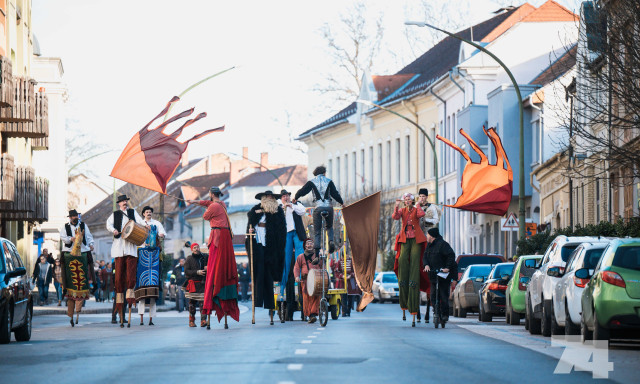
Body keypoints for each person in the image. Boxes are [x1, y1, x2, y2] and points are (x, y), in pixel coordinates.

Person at [187, 186, 240, 328]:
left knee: (214, 268)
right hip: (224, 236)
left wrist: (201, 205)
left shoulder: (214, 207)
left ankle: (215, 294)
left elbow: (205, 216)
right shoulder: (221, 204)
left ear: (211, 194)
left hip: (218, 236)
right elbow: (207, 203)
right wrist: (194, 202)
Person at [246, 190, 286, 325]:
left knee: (269, 276)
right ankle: (258, 301)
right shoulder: (255, 210)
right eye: (267, 197)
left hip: (272, 248)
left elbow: (281, 231)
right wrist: (250, 231)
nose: (270, 198)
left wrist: (280, 248)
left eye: (272, 197)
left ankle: (271, 307)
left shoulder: (278, 211)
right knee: (259, 274)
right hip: (258, 244)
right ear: (263, 198)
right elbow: (250, 225)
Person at [106, 194, 146, 327]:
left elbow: (140, 222)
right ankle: (118, 311)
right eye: (122, 201)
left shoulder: (132, 212)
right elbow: (108, 224)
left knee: (130, 278)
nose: (124, 203)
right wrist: (114, 230)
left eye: (125, 201)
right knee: (118, 281)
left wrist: (146, 226)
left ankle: (129, 301)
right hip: (119, 249)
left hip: (130, 248)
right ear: (119, 203)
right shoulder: (115, 214)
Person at [392, 193, 426, 327]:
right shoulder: (402, 210)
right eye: (405, 200)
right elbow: (395, 217)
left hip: (416, 238)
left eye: (409, 200)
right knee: (401, 260)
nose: (407, 202)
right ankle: (404, 282)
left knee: (415, 264)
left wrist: (418, 205)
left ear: (412, 201)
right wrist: (396, 206)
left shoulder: (416, 208)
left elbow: (421, 215)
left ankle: (413, 280)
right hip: (405, 238)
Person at [294, 166, 343, 257]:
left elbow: (303, 191)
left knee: (317, 231)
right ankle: (331, 241)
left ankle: (316, 253)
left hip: (318, 207)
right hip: (328, 206)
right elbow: (335, 194)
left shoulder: (312, 182)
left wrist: (295, 197)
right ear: (324, 172)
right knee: (329, 226)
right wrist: (341, 203)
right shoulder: (329, 181)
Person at [60, 209, 96, 326]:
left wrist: (91, 244)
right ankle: (70, 312)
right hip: (69, 253)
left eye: (76, 216)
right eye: (72, 216)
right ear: (69, 218)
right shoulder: (65, 227)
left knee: (82, 281)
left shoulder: (83, 225)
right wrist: (71, 239)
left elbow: (89, 237)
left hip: (83, 253)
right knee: (70, 282)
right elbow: (62, 237)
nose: (74, 218)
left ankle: (78, 310)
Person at [135, 206, 166, 326]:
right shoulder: (139, 223)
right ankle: (141, 319)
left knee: (153, 286)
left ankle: (151, 319)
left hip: (154, 255)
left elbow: (163, 233)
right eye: (147, 212)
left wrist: (161, 234)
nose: (149, 213)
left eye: (150, 212)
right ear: (143, 214)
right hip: (142, 253)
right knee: (141, 286)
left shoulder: (156, 223)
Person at [278, 189, 306, 321]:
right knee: (286, 259)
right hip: (286, 234)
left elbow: (303, 211)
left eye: (287, 195)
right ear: (281, 198)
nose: (286, 197)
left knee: (300, 257)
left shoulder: (296, 204)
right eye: (284, 196)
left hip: (297, 233)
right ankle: (282, 288)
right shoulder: (279, 207)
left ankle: (299, 280)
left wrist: (292, 206)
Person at [423, 227, 457, 324]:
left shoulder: (443, 245)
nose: (427, 236)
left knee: (443, 295)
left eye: (428, 234)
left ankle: (445, 315)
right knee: (433, 295)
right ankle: (436, 312)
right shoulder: (429, 246)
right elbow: (425, 257)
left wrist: (447, 267)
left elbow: (451, 256)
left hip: (443, 274)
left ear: (432, 236)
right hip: (433, 275)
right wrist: (426, 265)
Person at [294, 238, 321, 324]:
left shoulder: (318, 256)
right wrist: (297, 276)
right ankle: (310, 315)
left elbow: (322, 266)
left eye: (311, 243)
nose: (309, 245)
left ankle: (312, 314)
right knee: (306, 298)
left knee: (317, 296)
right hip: (305, 281)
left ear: (313, 245)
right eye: (308, 243)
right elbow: (296, 267)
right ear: (305, 246)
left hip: (316, 280)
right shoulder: (300, 257)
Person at [184, 243, 208, 327]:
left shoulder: (204, 257)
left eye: (197, 247)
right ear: (191, 249)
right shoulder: (189, 259)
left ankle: (203, 320)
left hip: (202, 283)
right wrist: (197, 272)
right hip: (193, 283)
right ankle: (191, 321)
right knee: (192, 303)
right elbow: (187, 271)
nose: (196, 249)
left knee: (203, 303)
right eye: (194, 248)